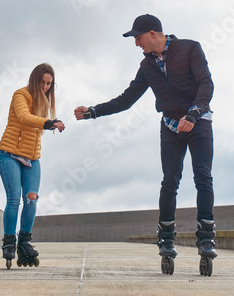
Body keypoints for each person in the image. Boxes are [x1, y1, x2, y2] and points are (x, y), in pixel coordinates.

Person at [74, 14, 217, 261]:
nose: (136, 44)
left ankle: (205, 238)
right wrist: (93, 112)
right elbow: (127, 99)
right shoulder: (147, 67)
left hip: (198, 122)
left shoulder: (190, 49)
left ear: (153, 34)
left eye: (138, 38)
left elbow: (206, 85)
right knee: (170, 181)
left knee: (203, 177)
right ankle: (166, 238)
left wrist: (193, 115)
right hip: (171, 125)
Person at [0, 63, 65, 268]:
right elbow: (24, 117)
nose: (45, 87)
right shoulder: (21, 95)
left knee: (31, 200)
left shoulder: (43, 102)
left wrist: (49, 121)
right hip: (9, 154)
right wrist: (49, 122)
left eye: (49, 84)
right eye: (43, 82)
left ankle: (25, 242)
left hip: (32, 159)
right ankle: (9, 242)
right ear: (35, 80)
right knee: (13, 201)